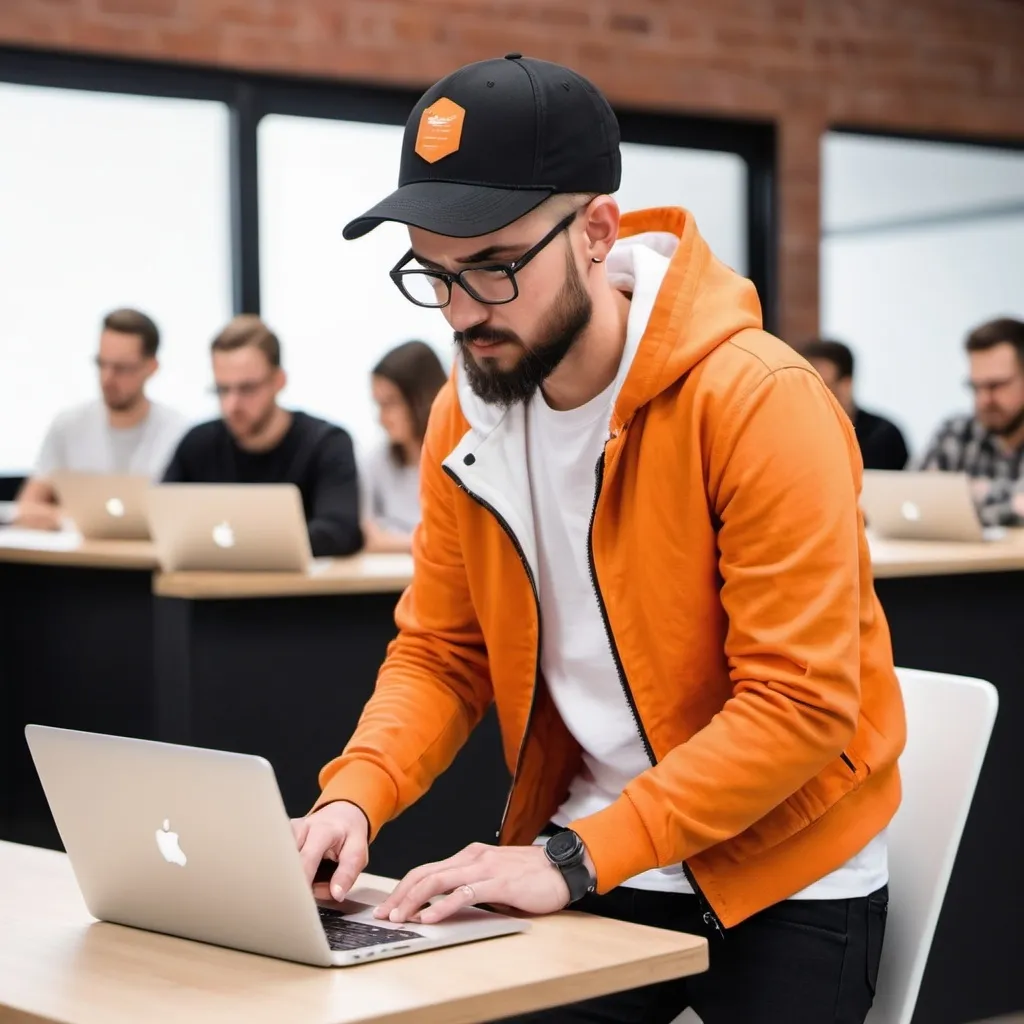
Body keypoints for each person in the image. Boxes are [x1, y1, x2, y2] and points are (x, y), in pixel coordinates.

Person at [292, 55, 905, 1023]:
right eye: (432, 273)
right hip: (593, 859)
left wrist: (572, 857)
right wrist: (352, 799)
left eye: (492, 268)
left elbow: (798, 704)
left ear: (595, 231)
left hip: (782, 874)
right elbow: (443, 653)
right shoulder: (465, 415)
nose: (461, 314)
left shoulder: (757, 400)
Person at [162, 314, 362, 558]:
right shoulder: (198, 443)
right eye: (222, 389)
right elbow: (164, 519)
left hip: (301, 593)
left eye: (247, 389)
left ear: (278, 381)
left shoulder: (326, 442)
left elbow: (341, 532)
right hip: (212, 590)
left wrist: (239, 545)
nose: (232, 405)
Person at [15, 308, 187, 530]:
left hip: (145, 561)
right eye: (101, 364)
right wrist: (73, 519)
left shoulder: (178, 433)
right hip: (79, 559)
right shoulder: (69, 425)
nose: (107, 378)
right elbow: (27, 507)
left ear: (151, 367)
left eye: (121, 368)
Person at [917, 316, 1024, 526]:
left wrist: (969, 494)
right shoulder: (955, 433)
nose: (984, 399)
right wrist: (1011, 501)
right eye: (976, 387)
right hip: (963, 559)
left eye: (996, 386)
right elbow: (914, 500)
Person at [361, 340, 448, 553]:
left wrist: (394, 540)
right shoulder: (377, 461)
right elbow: (369, 538)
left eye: (390, 403)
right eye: (378, 404)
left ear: (423, 398)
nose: (381, 418)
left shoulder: (460, 459)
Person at [800, 338, 910, 471]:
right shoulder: (795, 433)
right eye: (804, 386)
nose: (812, 394)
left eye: (823, 386)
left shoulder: (883, 435)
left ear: (846, 385)